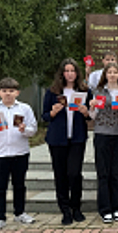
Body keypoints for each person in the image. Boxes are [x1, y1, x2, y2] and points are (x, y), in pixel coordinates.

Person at [0, 78, 38, 233]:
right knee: (0, 188)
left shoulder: (25, 109)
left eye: (11, 91)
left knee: (19, 185)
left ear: (17, 92)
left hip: (20, 153)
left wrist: (24, 129)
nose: (8, 94)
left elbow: (33, 130)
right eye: (5, 91)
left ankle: (20, 213)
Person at [42, 58, 91, 225]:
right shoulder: (53, 92)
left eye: (73, 70)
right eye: (67, 70)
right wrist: (53, 112)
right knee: (60, 174)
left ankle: (76, 207)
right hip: (57, 139)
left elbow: (91, 115)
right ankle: (65, 210)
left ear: (77, 73)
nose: (70, 74)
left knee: (74, 173)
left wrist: (86, 112)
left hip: (77, 138)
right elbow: (44, 116)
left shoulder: (84, 90)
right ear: (62, 73)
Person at [88, 63, 118, 223]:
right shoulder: (98, 92)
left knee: (117, 173)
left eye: (115, 72)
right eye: (109, 72)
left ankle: (117, 207)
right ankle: (105, 209)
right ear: (105, 75)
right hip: (102, 134)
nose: (112, 75)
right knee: (103, 172)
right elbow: (93, 116)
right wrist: (91, 107)